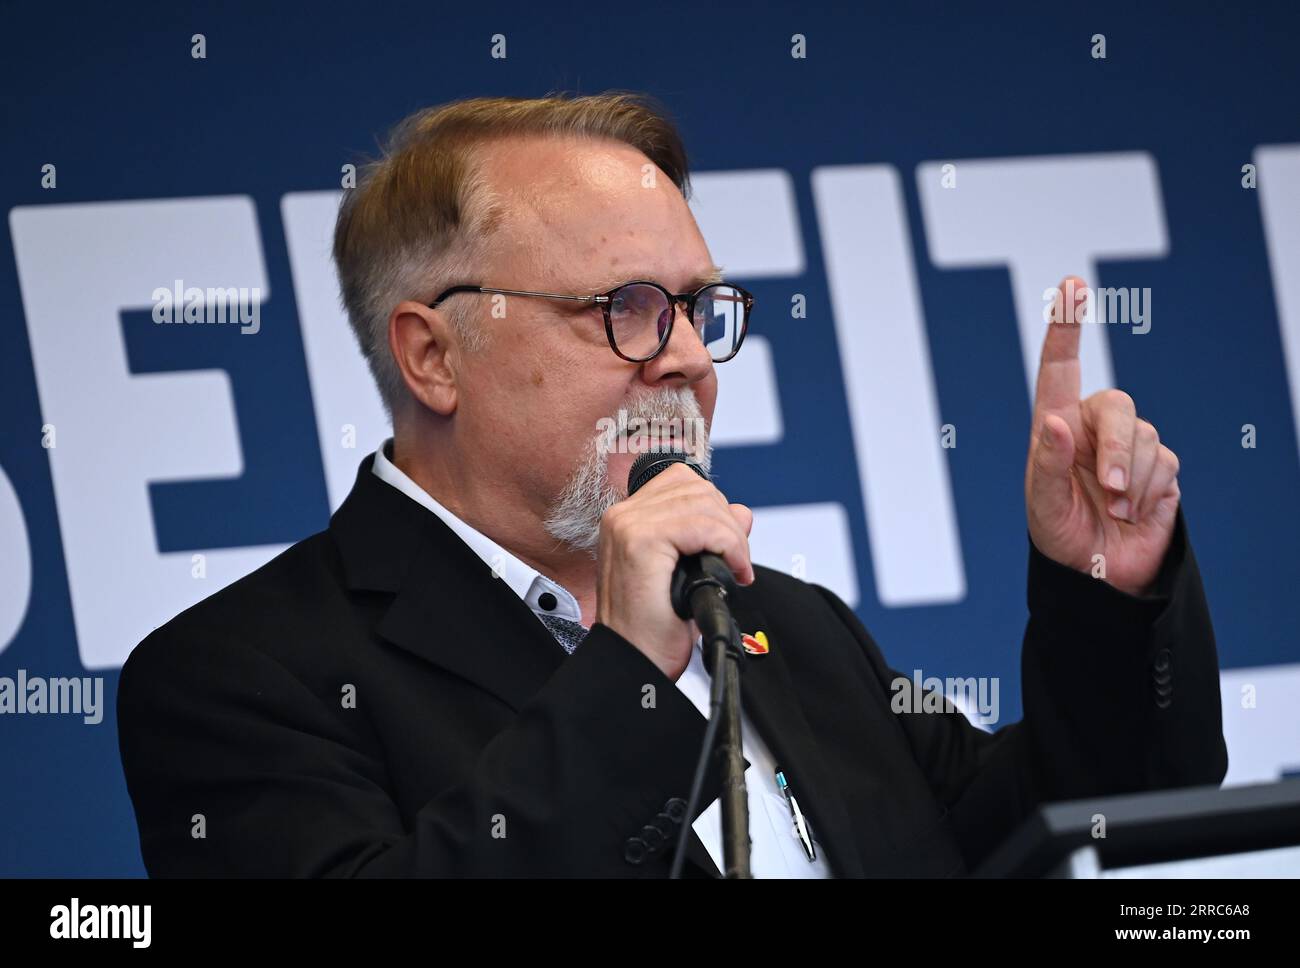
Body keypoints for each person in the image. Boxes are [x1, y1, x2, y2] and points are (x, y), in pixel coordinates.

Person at [117, 92, 1226, 877]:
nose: (689, 355)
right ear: (432, 355)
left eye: (700, 307)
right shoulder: (239, 678)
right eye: (628, 306)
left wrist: (1104, 591)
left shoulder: (784, 623)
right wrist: (630, 673)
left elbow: (1080, 819)